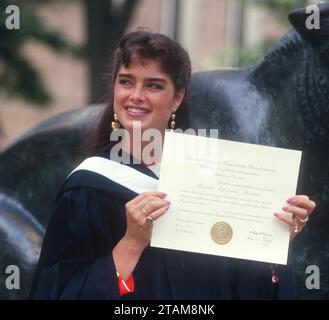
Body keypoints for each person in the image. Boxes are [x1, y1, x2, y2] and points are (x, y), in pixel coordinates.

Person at [30, 30, 316, 299]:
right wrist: (131, 244)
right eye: (126, 81)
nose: (136, 96)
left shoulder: (217, 181)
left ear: (177, 98)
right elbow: (56, 290)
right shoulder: (88, 187)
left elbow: (243, 284)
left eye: (154, 85)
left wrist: (270, 241)